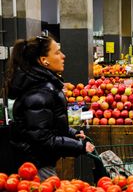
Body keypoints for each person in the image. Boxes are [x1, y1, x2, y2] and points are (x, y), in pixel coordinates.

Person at [5, 35, 95, 180]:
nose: (63, 56)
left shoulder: (44, 86)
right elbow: (42, 140)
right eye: (57, 52)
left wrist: (72, 133)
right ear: (44, 60)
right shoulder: (40, 93)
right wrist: (79, 146)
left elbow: (47, 125)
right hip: (36, 167)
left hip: (39, 162)